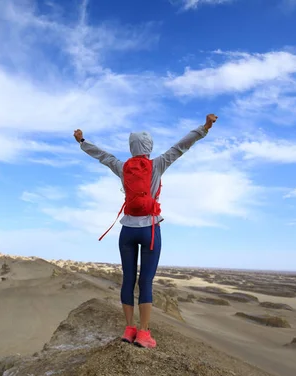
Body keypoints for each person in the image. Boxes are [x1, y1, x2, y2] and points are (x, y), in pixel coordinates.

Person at [74, 113, 218, 348]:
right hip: (150, 229)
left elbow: (102, 156)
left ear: (131, 147)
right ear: (149, 147)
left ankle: (129, 328)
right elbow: (181, 146)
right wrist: (204, 128)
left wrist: (82, 142)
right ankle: (143, 333)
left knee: (128, 279)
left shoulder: (122, 167)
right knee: (146, 281)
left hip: (127, 231)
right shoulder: (158, 164)